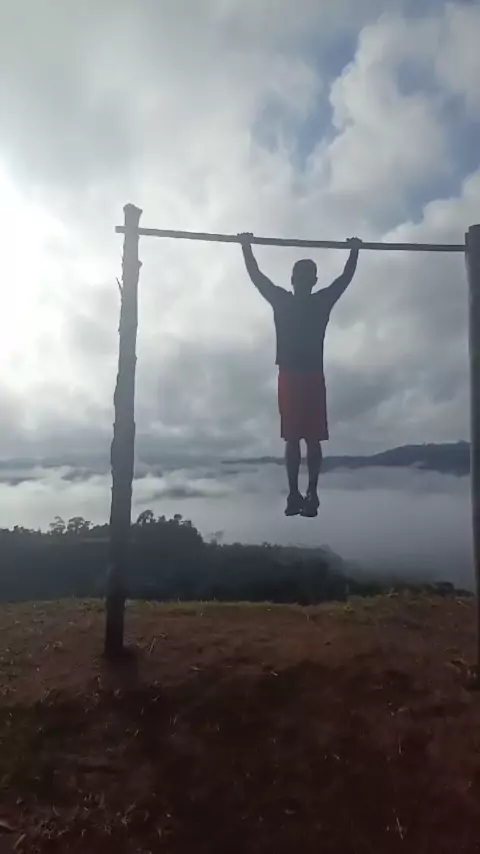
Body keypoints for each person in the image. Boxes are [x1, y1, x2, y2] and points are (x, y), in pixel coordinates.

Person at [239, 233, 361, 518]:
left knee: (296, 438)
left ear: (295, 280)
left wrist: (246, 247)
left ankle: (300, 493)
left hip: (297, 376)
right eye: (302, 276)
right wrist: (354, 251)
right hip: (304, 375)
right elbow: (344, 279)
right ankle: (304, 493)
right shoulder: (316, 301)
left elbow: (257, 277)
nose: (303, 281)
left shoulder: (286, 300)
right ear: (304, 280)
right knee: (303, 439)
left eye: (304, 277)